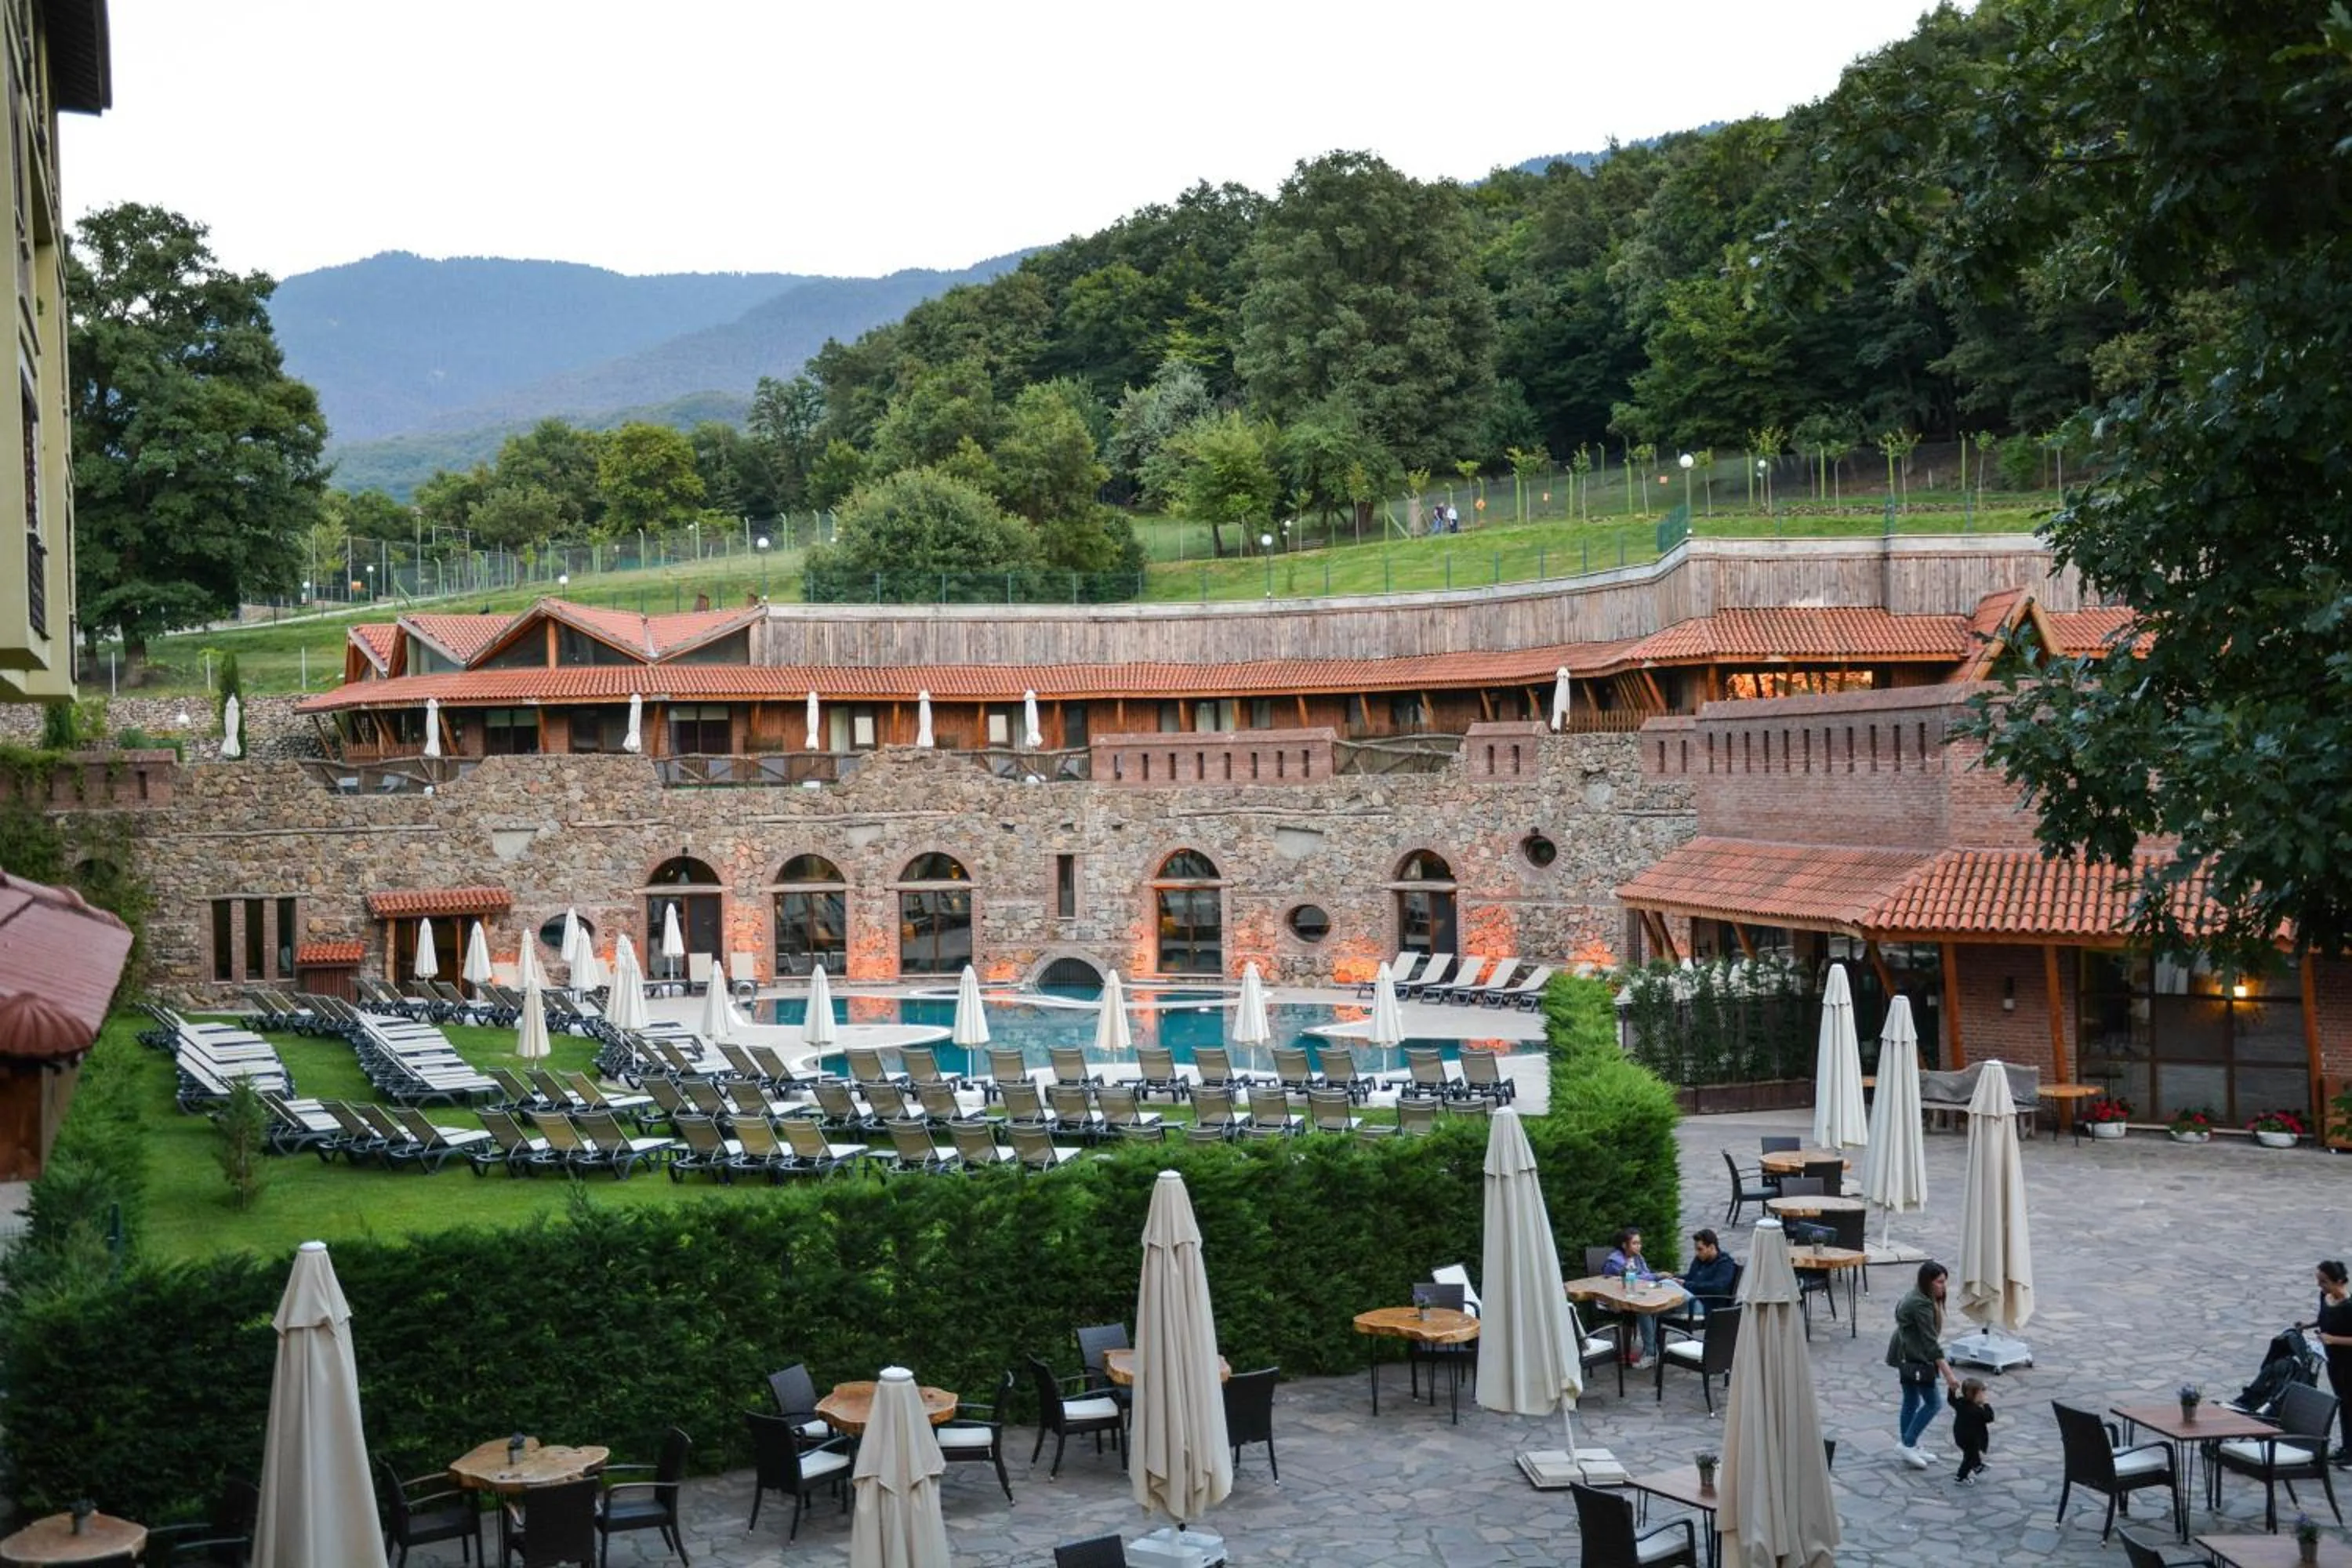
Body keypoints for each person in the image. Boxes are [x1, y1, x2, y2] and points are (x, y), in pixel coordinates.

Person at [1885, 1259, 1961, 1469]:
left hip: (1905, 1352)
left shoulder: (1917, 1295)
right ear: (1927, 1282)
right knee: (1933, 1403)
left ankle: (1909, 1444)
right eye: (1939, 1282)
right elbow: (1931, 1344)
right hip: (1913, 1356)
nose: (1943, 1287)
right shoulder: (1921, 1304)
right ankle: (1908, 1443)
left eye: (1945, 1282)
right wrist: (1949, 1375)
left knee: (1911, 1400)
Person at [1602, 1225, 1663, 1367]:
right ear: (1624, 1245)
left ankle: (1652, 1350)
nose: (1639, 1246)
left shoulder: (1637, 1257)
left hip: (1633, 1295)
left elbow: (1645, 1275)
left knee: (1666, 1286)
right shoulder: (1615, 1262)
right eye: (1635, 1243)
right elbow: (1637, 1278)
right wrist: (1656, 1276)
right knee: (1645, 1309)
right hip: (1614, 1301)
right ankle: (1651, 1353)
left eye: (1639, 1243)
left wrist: (1657, 1279)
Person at [2311, 1258, 2352, 1466]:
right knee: (2342, 1402)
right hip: (2334, 1360)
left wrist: (2332, 1339)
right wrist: (2308, 1325)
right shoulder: (2326, 1297)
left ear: (2339, 1281)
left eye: (2325, 1282)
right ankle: (2346, 1446)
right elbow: (2324, 1319)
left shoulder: (2349, 1306)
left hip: (2348, 1362)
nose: (2321, 1286)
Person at [1675, 1229, 1740, 1318]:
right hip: (1694, 1300)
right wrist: (1675, 1279)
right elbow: (1691, 1277)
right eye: (1696, 1249)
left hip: (1707, 1307)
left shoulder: (1725, 1264)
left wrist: (1686, 1285)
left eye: (1700, 1249)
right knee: (1667, 1284)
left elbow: (1717, 1287)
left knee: (1664, 1309)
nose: (1697, 1253)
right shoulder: (1700, 1259)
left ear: (1712, 1247)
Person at [1951, 1377, 1994, 1484]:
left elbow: (1951, 1400)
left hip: (1960, 1436)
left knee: (1971, 1454)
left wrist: (1951, 1390)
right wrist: (1986, 1404)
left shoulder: (1960, 1403)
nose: (1984, 1396)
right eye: (1982, 1394)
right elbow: (1990, 1417)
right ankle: (1961, 1477)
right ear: (1975, 1395)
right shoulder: (1977, 1411)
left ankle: (1978, 1466)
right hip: (1971, 1440)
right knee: (1969, 1458)